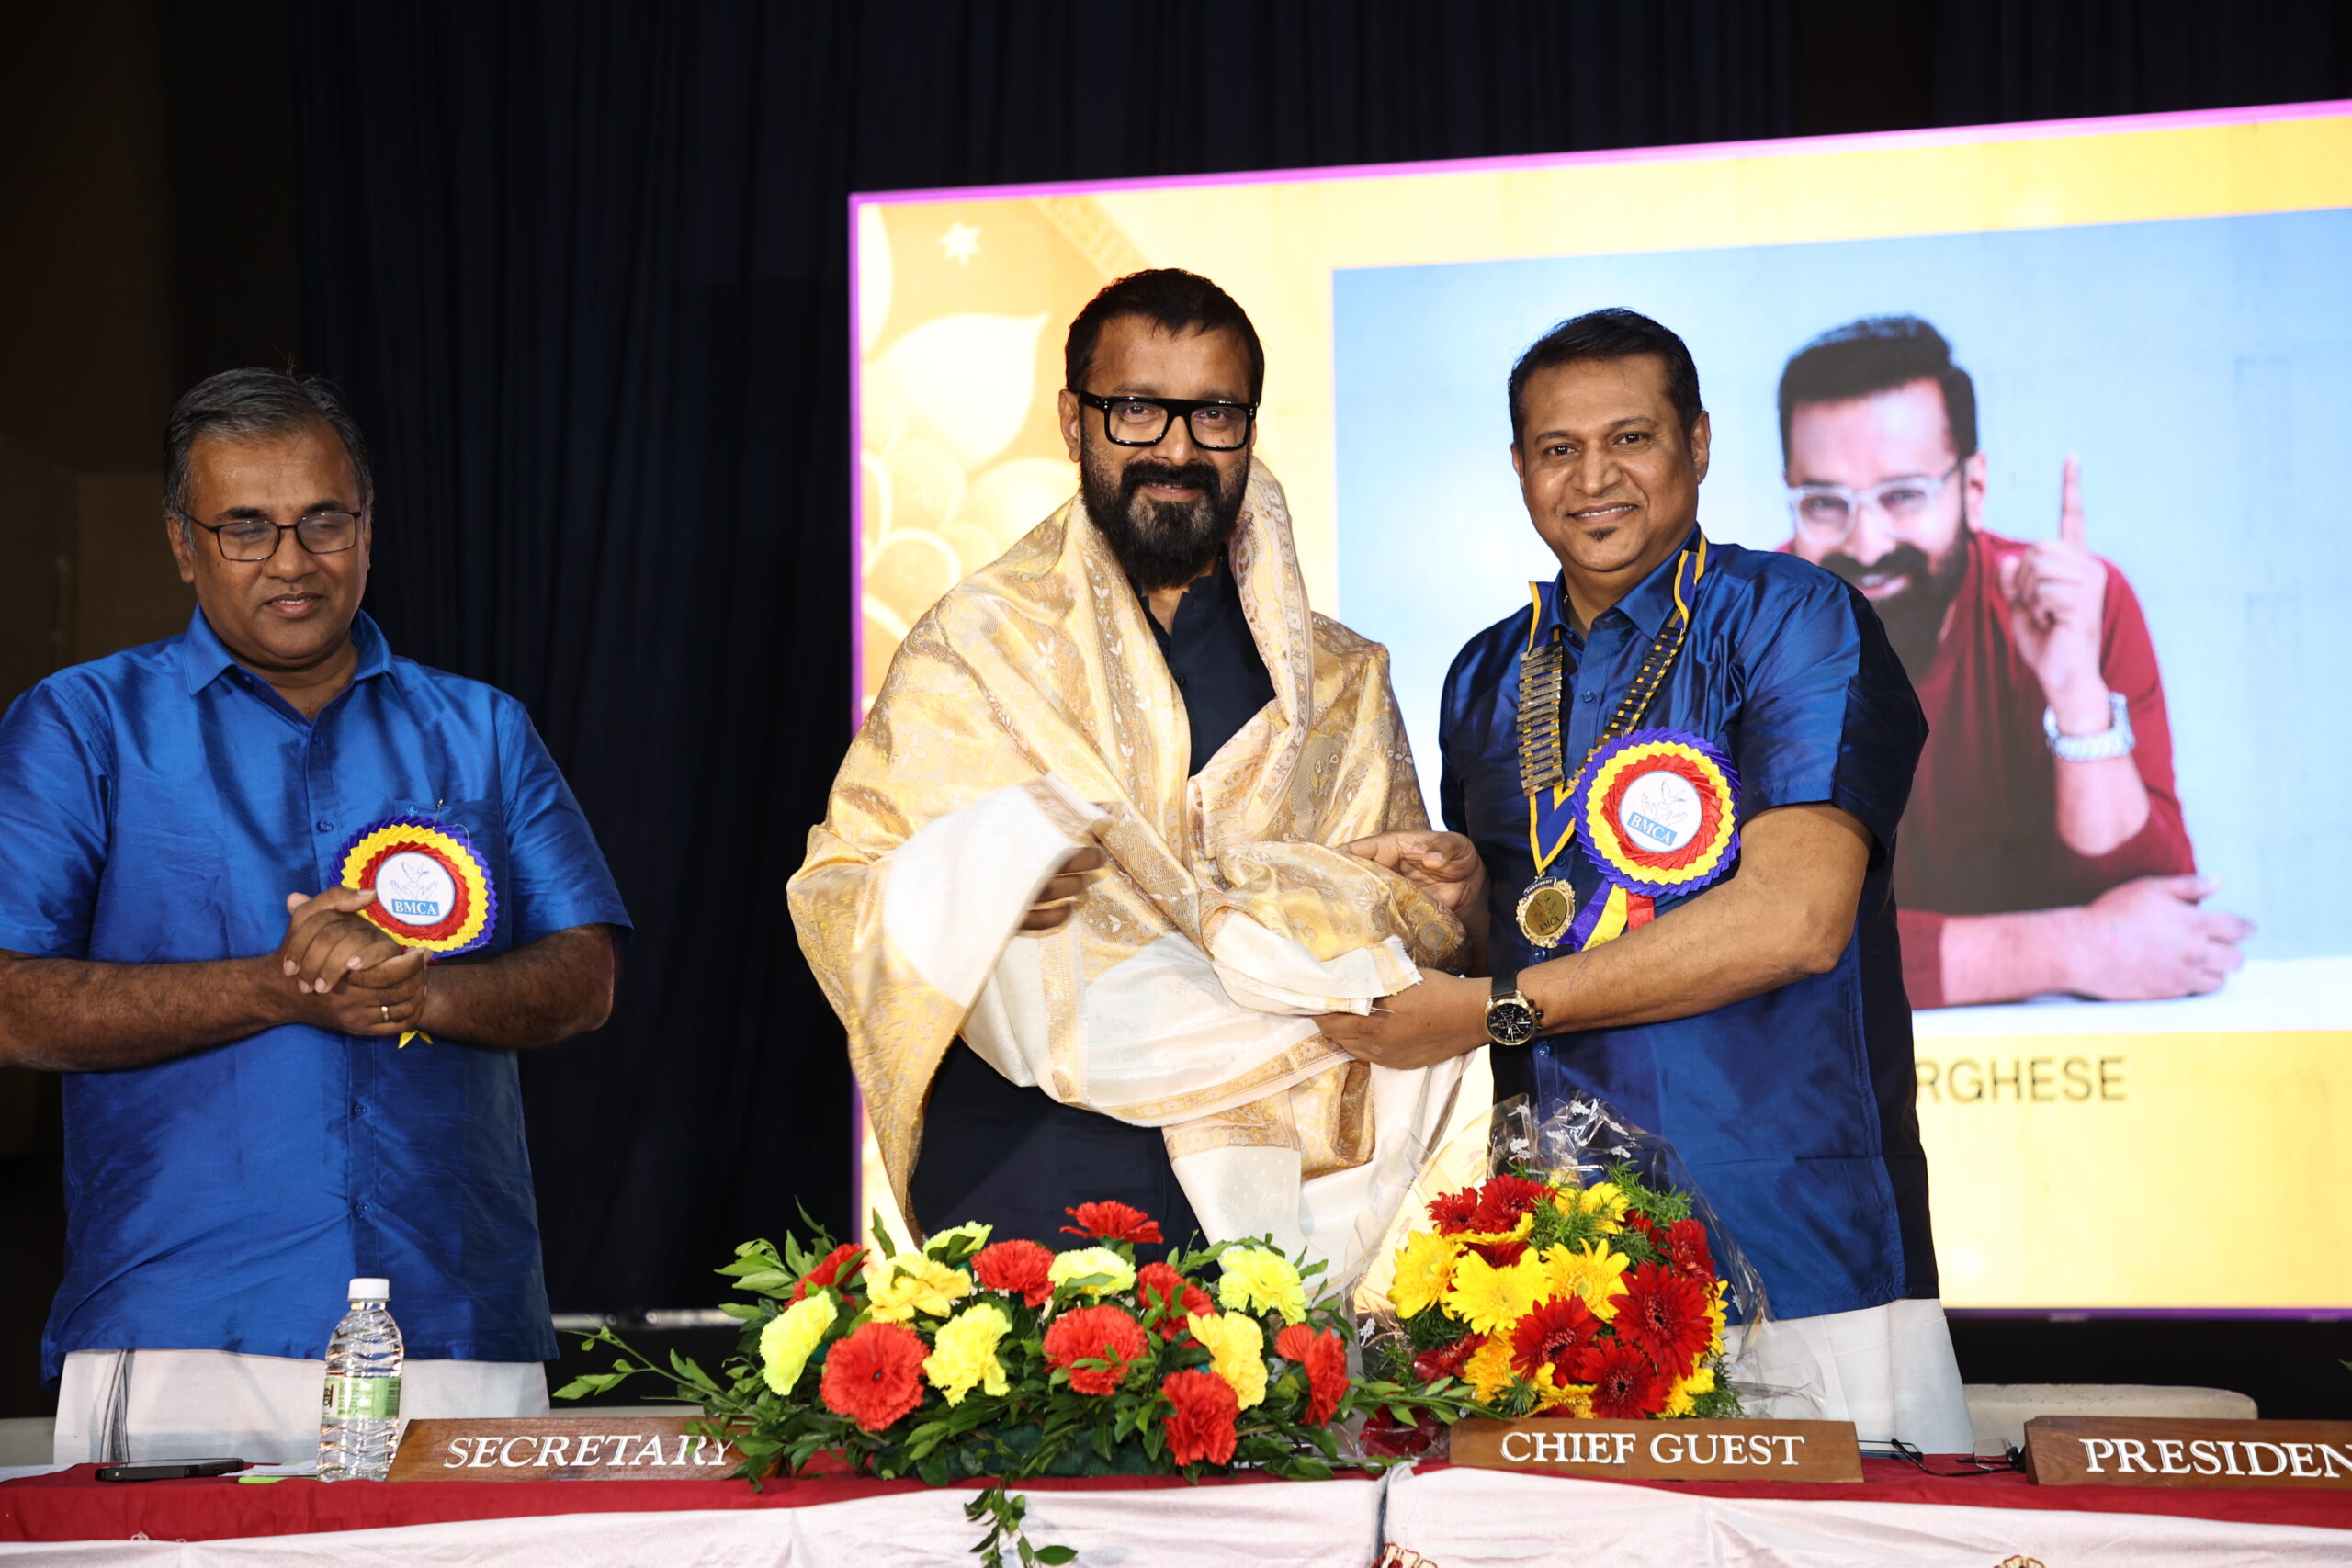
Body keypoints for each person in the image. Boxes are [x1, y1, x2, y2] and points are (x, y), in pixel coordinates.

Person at [1325, 309, 1973, 1450]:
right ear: (1519, 466)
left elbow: (1798, 919)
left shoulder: (1791, 618)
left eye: (1630, 438)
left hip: (1797, 1245)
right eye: (1557, 449)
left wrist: (1491, 1006)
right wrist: (1467, 903)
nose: (1593, 480)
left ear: (1699, 443)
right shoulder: (1485, 673)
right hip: (1554, 1272)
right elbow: (1536, 934)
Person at [0, 369, 629, 1463]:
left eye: (323, 521)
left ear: (367, 529)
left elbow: (585, 977)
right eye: (245, 527)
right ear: (182, 543)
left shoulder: (481, 728)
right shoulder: (83, 725)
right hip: (181, 1323)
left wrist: (416, 993)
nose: (291, 561)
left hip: (453, 1315)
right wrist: (279, 987)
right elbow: (14, 1009)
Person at [790, 269, 1467, 1278]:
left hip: (1283, 1181)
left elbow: (1404, 936)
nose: (1178, 449)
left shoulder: (1340, 678)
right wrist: (978, 878)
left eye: (1215, 414)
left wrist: (1414, 896)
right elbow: (842, 887)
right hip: (1029, 1167)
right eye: (1138, 409)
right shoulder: (975, 647)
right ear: (1075, 421)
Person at [1776, 316, 2249, 1008]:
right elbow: (1760, 938)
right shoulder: (1752, 635)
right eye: (1824, 503)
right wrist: (2074, 948)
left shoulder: (2072, 608)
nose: (1867, 544)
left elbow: (2155, 914)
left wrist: (2075, 694)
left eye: (1903, 495)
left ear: (1973, 488)